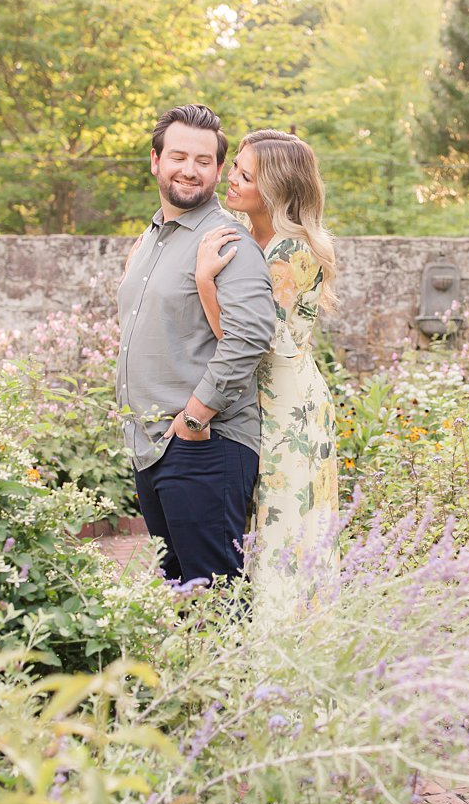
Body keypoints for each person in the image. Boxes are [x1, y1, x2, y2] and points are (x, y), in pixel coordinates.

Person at [115, 104, 276, 586]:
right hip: (154, 447)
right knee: (180, 593)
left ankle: (233, 668)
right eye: (179, 156)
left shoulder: (226, 241)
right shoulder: (150, 240)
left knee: (216, 598)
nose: (190, 169)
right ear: (155, 160)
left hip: (204, 445)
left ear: (218, 169)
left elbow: (249, 337)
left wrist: (192, 421)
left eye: (203, 161)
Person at [193, 129, 339, 612]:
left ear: (274, 188)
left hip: (288, 408)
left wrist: (205, 283)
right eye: (234, 167)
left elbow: (252, 341)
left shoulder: (289, 252)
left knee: (285, 534)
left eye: (244, 175)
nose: (229, 179)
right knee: (254, 532)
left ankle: (284, 655)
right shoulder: (249, 239)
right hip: (258, 402)